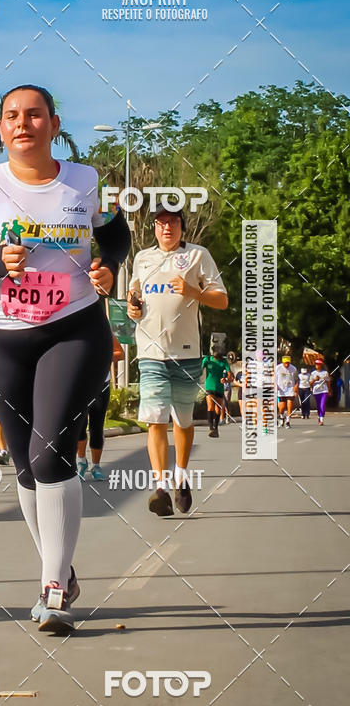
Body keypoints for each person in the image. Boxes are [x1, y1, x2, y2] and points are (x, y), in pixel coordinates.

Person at [0, 84, 130, 633]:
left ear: (53, 123)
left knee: (51, 456)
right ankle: (62, 569)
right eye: (11, 117)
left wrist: (109, 269)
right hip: (1, 338)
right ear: (0, 129)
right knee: (26, 467)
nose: (22, 124)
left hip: (73, 329)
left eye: (34, 115)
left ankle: (52, 591)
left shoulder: (88, 182)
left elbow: (116, 238)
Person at [127, 202, 228, 517]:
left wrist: (192, 290)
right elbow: (135, 301)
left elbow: (222, 300)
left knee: (182, 421)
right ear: (154, 227)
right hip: (150, 353)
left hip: (186, 354)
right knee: (155, 420)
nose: (166, 228)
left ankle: (180, 477)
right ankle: (160, 488)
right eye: (160, 223)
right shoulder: (143, 259)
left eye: (172, 222)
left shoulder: (198, 256)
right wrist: (133, 308)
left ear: (181, 226)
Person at [76, 373, 110, 480]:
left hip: (101, 384)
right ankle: (82, 462)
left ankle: (96, 466)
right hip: (79, 383)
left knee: (97, 427)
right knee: (79, 425)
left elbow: (120, 355)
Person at [202, 350, 232, 438]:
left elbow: (230, 376)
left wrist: (225, 379)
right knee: (210, 406)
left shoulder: (224, 362)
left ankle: (216, 428)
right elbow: (200, 369)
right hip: (209, 386)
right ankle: (211, 428)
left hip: (219, 387)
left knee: (218, 409)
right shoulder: (207, 360)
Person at [276, 356, 298, 427]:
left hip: (290, 389)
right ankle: (281, 417)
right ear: (283, 362)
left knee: (289, 405)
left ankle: (288, 420)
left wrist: (295, 388)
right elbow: (274, 378)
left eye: (288, 363)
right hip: (281, 389)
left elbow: (297, 380)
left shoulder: (293, 369)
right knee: (281, 408)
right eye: (285, 363)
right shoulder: (277, 368)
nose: (287, 364)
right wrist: (275, 385)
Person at [309, 357, 331, 426]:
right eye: (316, 364)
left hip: (324, 390)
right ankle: (319, 416)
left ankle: (321, 419)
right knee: (318, 405)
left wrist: (329, 389)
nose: (317, 365)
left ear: (321, 365)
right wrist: (315, 379)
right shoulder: (313, 373)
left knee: (322, 405)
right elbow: (310, 383)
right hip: (316, 391)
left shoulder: (325, 373)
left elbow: (328, 382)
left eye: (319, 364)